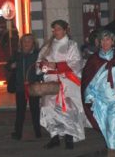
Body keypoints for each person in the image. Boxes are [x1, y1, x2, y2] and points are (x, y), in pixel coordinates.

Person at [37, 20, 87, 149]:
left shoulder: (71, 45)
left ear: (65, 30)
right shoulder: (47, 46)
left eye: (58, 29)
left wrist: (58, 65)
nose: (55, 31)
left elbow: (76, 62)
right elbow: (39, 65)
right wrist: (45, 66)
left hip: (67, 81)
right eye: (54, 29)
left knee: (67, 108)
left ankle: (69, 136)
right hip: (51, 82)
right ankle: (55, 136)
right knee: (48, 107)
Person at [6, 34, 42, 140]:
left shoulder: (37, 55)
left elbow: (43, 70)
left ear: (33, 43)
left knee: (35, 110)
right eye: (24, 41)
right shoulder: (17, 54)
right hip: (20, 87)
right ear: (21, 43)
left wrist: (39, 77)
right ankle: (18, 133)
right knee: (20, 111)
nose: (26, 43)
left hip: (33, 87)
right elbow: (8, 65)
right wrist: (11, 66)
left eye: (29, 41)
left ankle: (38, 132)